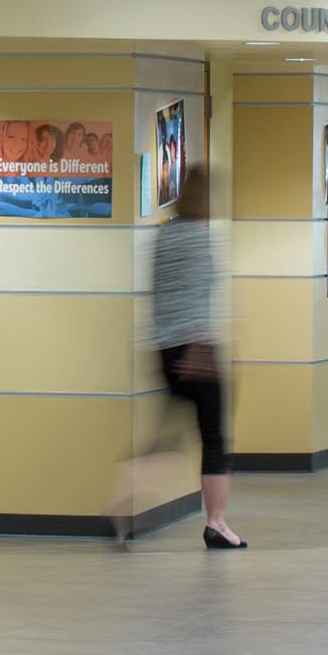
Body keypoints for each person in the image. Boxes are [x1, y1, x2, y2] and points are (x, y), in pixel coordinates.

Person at [114, 164, 244, 549]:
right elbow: (202, 294)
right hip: (198, 349)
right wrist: (203, 348)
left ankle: (121, 500)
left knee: (166, 438)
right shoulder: (202, 240)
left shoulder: (162, 237)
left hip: (165, 349)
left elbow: (157, 292)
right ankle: (217, 523)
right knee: (215, 439)